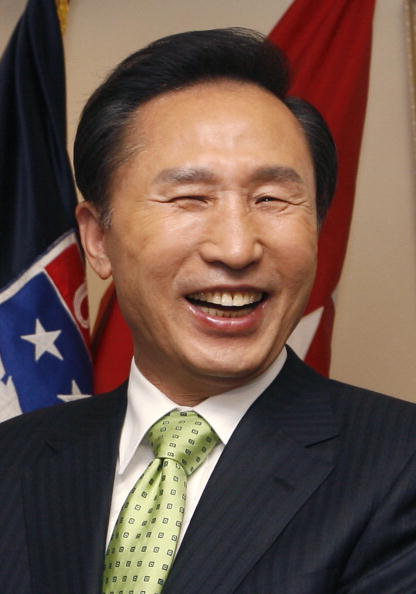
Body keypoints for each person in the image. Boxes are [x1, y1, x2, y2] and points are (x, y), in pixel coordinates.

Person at [1, 27, 416, 594]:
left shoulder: (400, 464)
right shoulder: (12, 462)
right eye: (190, 199)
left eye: (271, 199)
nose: (237, 249)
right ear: (97, 240)